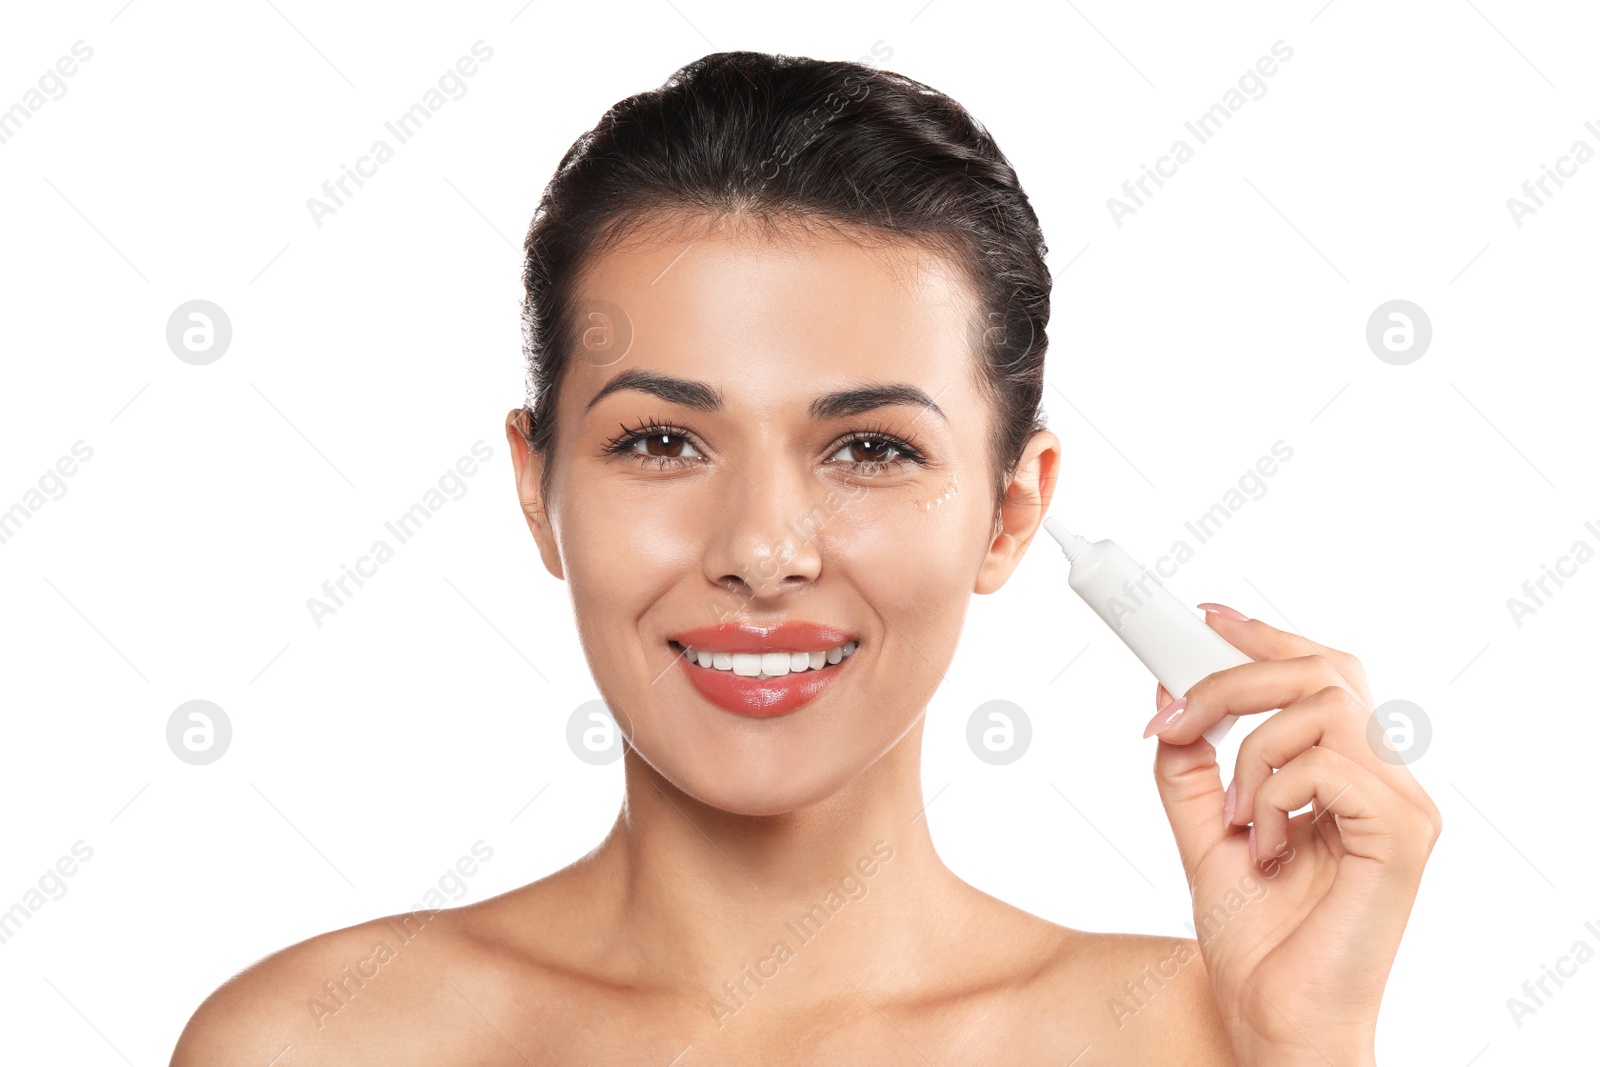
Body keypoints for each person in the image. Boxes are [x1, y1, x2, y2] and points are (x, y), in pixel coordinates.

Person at [171, 50, 1440, 1065]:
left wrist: (1311, 1046)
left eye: (871, 449)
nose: (762, 551)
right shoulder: (313, 1043)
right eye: (662, 439)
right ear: (535, 485)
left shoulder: (1201, 1041)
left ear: (1010, 509)